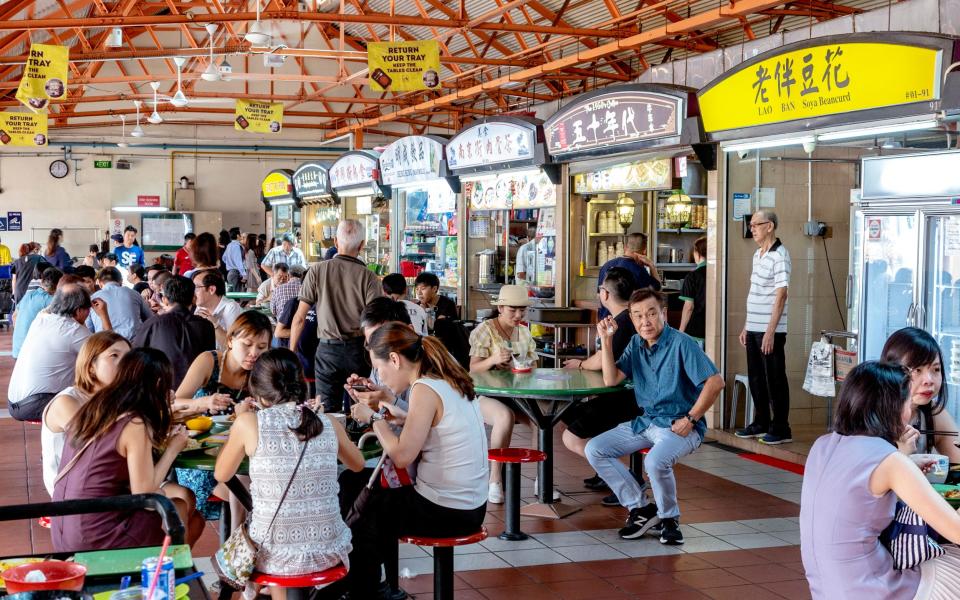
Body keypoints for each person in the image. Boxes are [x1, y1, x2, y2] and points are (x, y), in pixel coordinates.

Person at [347, 324, 488, 598]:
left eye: (381, 368)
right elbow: (422, 424)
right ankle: (376, 587)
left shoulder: (423, 388)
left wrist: (373, 418)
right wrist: (388, 410)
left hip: (445, 510)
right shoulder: (446, 379)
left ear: (396, 359)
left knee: (363, 507)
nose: (382, 377)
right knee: (360, 488)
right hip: (471, 506)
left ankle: (363, 590)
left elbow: (401, 456)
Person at [800, 361, 960, 599]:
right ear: (892, 407)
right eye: (908, 404)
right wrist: (903, 461)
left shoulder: (821, 445)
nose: (910, 414)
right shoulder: (891, 462)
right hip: (874, 590)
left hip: (827, 591)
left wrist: (905, 460)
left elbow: (856, 490)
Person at [215, 349, 363, 600]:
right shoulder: (327, 422)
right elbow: (358, 464)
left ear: (257, 391)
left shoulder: (250, 423)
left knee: (269, 538)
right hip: (329, 549)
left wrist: (241, 420)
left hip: (273, 553)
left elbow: (222, 473)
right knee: (278, 538)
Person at [586, 288, 724, 544]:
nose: (644, 322)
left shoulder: (682, 343)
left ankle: (670, 520)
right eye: (637, 316)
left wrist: (691, 419)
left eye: (651, 314)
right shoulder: (636, 344)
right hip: (647, 422)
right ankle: (641, 508)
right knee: (595, 449)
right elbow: (611, 379)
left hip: (679, 425)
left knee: (655, 462)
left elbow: (715, 382)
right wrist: (605, 341)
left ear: (663, 314)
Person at [51, 348, 204, 551]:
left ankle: (170, 571)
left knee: (193, 518)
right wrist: (173, 449)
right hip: (96, 534)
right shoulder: (135, 423)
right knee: (178, 507)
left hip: (64, 525)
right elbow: (144, 491)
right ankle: (168, 574)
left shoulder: (97, 405)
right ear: (159, 384)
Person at [174, 311, 272, 520]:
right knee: (252, 491)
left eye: (262, 347)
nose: (254, 353)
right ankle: (237, 541)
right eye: (247, 344)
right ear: (230, 340)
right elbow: (175, 402)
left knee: (259, 484)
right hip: (203, 454)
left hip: (240, 455)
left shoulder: (261, 372)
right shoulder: (209, 361)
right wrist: (201, 403)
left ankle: (237, 541)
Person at [560, 268, 642, 496]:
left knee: (571, 435)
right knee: (570, 412)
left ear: (605, 294)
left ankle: (625, 477)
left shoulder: (621, 324)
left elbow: (606, 361)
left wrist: (580, 364)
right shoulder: (628, 319)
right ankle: (605, 473)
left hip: (627, 401)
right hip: (629, 396)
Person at [289, 220, 382, 413]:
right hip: (359, 353)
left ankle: (333, 442)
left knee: (327, 411)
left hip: (327, 351)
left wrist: (291, 353)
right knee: (360, 409)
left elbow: (299, 318)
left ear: (335, 241)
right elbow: (376, 324)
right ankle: (356, 441)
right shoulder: (370, 278)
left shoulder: (317, 270)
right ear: (362, 245)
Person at [468, 284, 539, 503]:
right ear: (500, 308)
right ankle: (495, 480)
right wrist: (494, 360)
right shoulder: (484, 330)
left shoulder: (525, 332)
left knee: (541, 421)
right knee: (504, 417)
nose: (518, 315)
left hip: (517, 394)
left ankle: (541, 480)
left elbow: (535, 366)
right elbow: (472, 369)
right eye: (512, 310)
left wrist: (525, 365)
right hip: (485, 394)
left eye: (522, 310)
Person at [42, 331, 129, 495]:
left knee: (184, 498)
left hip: (112, 477)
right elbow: (102, 444)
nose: (125, 363)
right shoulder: (66, 402)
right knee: (176, 501)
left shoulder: (115, 399)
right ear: (90, 367)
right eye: (114, 356)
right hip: (75, 490)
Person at [7, 285, 110, 422]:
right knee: (101, 397)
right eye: (88, 310)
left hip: (13, 402)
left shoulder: (42, 318)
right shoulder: (73, 330)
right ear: (79, 310)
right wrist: (104, 315)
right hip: (36, 403)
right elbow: (110, 351)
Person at [735, 210, 792, 445]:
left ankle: (781, 427)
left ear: (770, 226)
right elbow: (755, 293)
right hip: (755, 327)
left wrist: (770, 331)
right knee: (756, 377)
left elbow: (781, 295)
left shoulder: (780, 255)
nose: (752, 229)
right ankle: (761, 422)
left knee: (774, 378)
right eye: (751, 225)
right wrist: (747, 326)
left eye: (756, 225)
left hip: (771, 330)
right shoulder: (757, 255)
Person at [881, 327, 960, 461]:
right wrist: (902, 454)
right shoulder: (872, 413)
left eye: (936, 369)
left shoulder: (933, 413)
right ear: (892, 371)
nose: (929, 380)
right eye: (917, 370)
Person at [133, 276, 216, 389]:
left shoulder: (153, 323)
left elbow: (135, 358)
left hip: (161, 390)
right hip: (196, 392)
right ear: (194, 299)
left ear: (165, 300)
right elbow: (210, 361)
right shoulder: (206, 326)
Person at [597, 232, 660, 319]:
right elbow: (657, 291)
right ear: (644, 251)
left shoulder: (606, 265)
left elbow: (598, 295)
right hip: (627, 320)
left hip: (605, 320)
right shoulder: (640, 271)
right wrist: (651, 266)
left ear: (625, 247)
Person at [88, 267, 152, 340]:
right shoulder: (133, 293)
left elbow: (89, 329)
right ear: (121, 281)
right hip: (135, 344)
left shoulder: (93, 298)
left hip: (105, 344)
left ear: (99, 282)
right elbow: (150, 319)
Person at [12, 267, 63, 359]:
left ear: (42, 281)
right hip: (31, 353)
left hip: (17, 349)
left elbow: (14, 316)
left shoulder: (28, 295)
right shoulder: (51, 300)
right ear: (58, 285)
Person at [192, 269, 243, 350]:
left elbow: (233, 347)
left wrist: (215, 325)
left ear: (211, 289)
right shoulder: (200, 307)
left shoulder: (231, 308)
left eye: (196, 288)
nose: (193, 292)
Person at [678, 236, 707, 346]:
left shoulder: (693, 276)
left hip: (696, 331)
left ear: (697, 253)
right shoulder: (719, 273)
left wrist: (680, 331)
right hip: (717, 328)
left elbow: (689, 307)